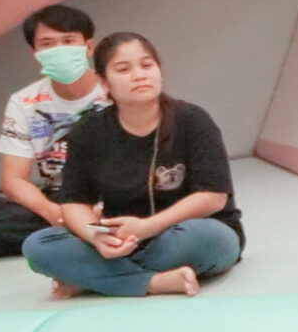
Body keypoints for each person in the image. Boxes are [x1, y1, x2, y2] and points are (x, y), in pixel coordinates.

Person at [21, 32, 245, 298]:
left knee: (207, 238)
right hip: (123, 239)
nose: (139, 75)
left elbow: (213, 197)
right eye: (123, 69)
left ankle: (95, 278)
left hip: (187, 232)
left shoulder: (193, 120)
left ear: (159, 70)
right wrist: (95, 237)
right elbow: (74, 203)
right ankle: (154, 282)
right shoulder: (88, 131)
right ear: (104, 82)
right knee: (39, 245)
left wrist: (146, 228)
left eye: (147, 65)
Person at [0, 4, 109, 258]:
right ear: (35, 54)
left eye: (68, 41)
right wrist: (52, 212)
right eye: (47, 44)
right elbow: (14, 180)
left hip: (115, 193)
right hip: (60, 197)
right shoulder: (24, 101)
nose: (59, 50)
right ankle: (77, 234)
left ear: (89, 47)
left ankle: (47, 239)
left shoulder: (116, 88)